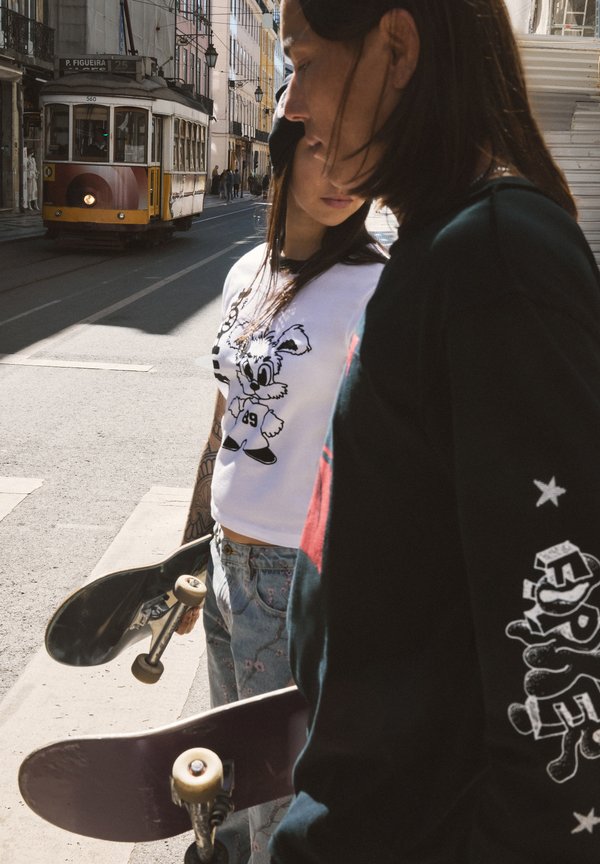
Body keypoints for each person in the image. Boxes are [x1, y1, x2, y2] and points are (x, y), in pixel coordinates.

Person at [269, 1, 600, 863]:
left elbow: (565, 659)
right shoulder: (447, 241)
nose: (290, 103)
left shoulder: (494, 255)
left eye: (303, 61)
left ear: (398, 47)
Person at [181, 88, 386, 864]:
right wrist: (189, 549)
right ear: (283, 152)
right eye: (323, 148)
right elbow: (223, 423)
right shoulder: (246, 274)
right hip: (226, 563)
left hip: (291, 571)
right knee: (225, 784)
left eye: (363, 156)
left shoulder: (375, 285)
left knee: (275, 796)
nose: (344, 174)